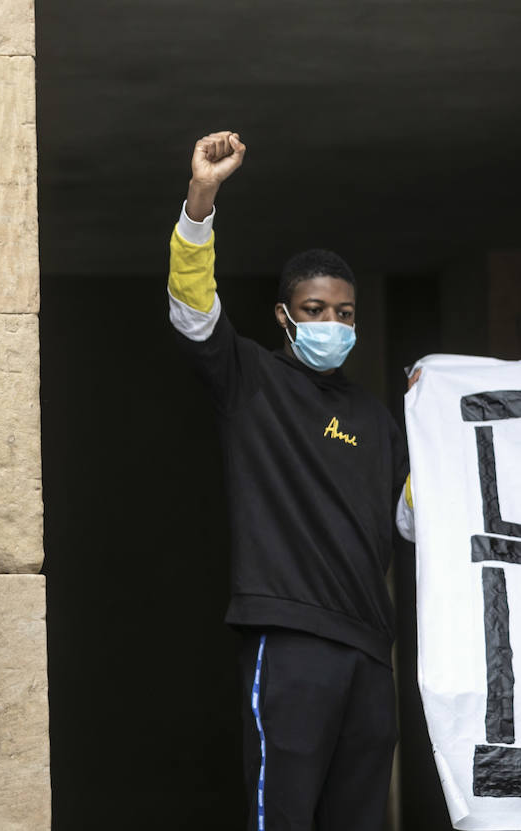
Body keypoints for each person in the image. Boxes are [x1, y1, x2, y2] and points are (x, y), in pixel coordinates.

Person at [167, 132, 409, 830]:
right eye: (314, 310)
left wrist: (438, 425)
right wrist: (202, 196)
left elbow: (416, 515)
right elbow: (190, 304)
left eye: (345, 313)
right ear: (284, 315)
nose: (331, 323)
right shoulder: (250, 379)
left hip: (370, 649)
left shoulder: (375, 415)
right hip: (292, 641)